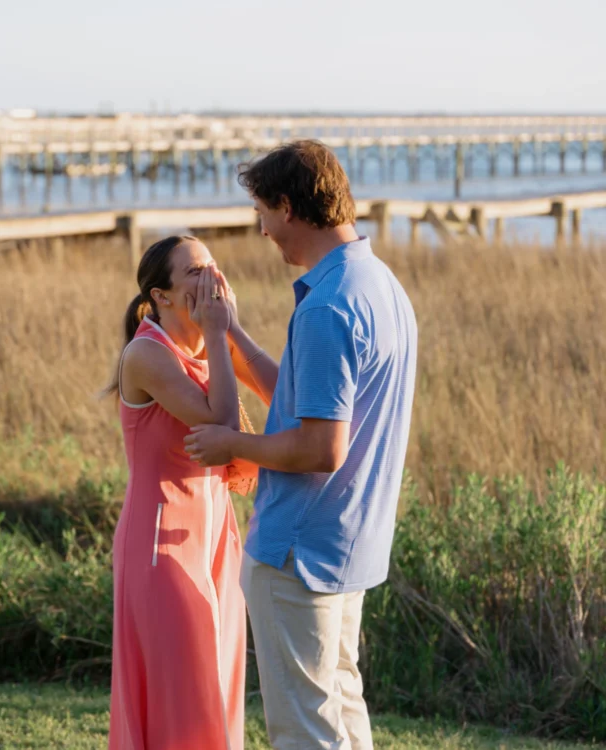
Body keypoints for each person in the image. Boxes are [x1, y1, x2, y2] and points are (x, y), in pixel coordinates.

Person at [185, 140, 418, 749]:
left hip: (299, 552)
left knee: (305, 731)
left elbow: (320, 448)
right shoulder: (377, 284)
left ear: (287, 207)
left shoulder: (327, 308)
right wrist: (230, 333)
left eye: (262, 212)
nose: (262, 231)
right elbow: (300, 398)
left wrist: (230, 442)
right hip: (350, 543)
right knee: (341, 704)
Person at [106, 234, 272, 750]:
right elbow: (222, 424)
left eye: (213, 265)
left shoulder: (210, 343)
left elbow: (280, 393)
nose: (212, 277)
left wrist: (232, 333)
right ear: (162, 296)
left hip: (215, 536)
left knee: (218, 685)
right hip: (160, 544)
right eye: (195, 271)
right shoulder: (146, 355)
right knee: (185, 695)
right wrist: (218, 333)